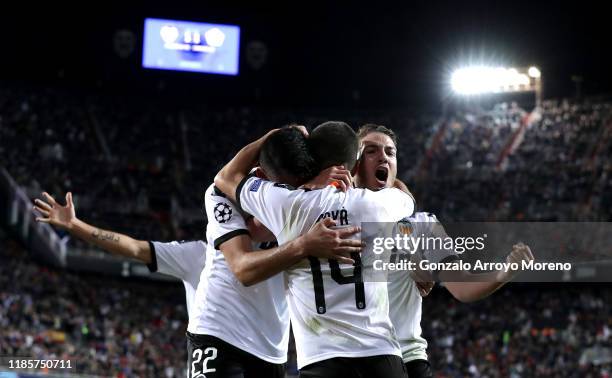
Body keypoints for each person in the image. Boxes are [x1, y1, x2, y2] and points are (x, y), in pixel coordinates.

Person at [215, 122, 415, 378]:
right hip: (382, 358)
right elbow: (405, 196)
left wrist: (274, 134)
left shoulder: (287, 203)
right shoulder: (378, 207)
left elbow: (225, 177)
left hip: (321, 360)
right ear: (353, 165)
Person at [354, 124, 534, 377]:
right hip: (348, 359)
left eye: (390, 152)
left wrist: (503, 274)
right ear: (353, 162)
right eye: (371, 150)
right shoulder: (330, 216)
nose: (383, 156)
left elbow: (462, 286)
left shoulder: (423, 225)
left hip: (406, 358)